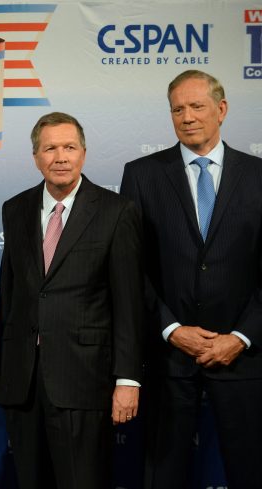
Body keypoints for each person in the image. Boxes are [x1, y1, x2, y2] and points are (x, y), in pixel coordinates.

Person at [120, 70, 262, 489]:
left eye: (197, 106)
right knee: (162, 474)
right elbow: (130, 269)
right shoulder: (142, 174)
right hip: (168, 358)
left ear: (221, 109)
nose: (187, 117)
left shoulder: (258, 175)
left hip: (244, 356)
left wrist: (240, 336)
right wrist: (170, 328)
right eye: (177, 109)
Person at [0, 112, 144, 489]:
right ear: (35, 157)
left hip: (84, 379)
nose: (60, 156)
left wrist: (128, 379)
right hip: (23, 380)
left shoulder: (116, 211)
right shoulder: (15, 209)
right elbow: (10, 295)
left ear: (84, 153)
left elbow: (128, 302)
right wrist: (0, 370)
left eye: (69, 147)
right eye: (50, 148)